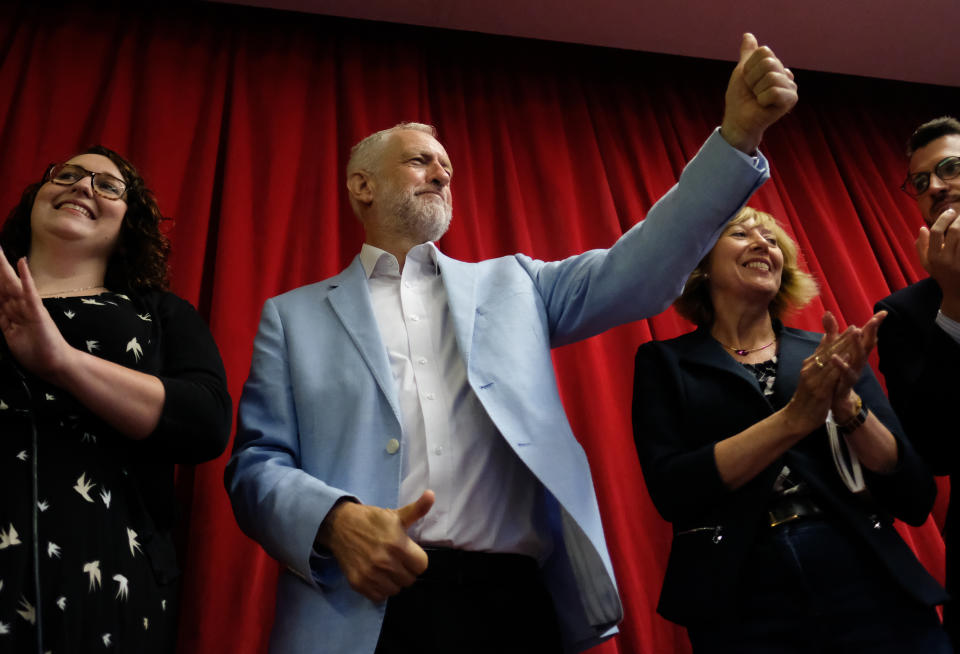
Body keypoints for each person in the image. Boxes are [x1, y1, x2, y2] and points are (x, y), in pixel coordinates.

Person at [225, 33, 796, 654]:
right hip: (360, 608)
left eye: (446, 166)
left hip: (511, 604)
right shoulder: (293, 317)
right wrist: (334, 521)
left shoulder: (516, 284)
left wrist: (736, 139)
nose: (441, 172)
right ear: (362, 186)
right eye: (419, 160)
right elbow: (256, 466)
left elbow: (641, 267)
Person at [631, 206, 950, 653]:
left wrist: (846, 405)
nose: (764, 244)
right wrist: (792, 419)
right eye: (741, 234)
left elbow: (915, 495)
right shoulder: (664, 362)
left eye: (773, 240)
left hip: (860, 566)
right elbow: (673, 489)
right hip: (741, 589)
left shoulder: (831, 353)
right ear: (701, 265)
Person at [0, 147, 232, 653]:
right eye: (68, 175)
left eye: (108, 186)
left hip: (108, 581)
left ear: (130, 223)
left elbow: (206, 421)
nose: (83, 187)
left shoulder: (161, 314)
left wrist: (61, 361)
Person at [876, 115, 960, 647]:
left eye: (950, 168)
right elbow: (932, 448)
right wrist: (953, 304)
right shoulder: (902, 315)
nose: (935, 187)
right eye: (921, 182)